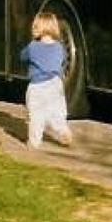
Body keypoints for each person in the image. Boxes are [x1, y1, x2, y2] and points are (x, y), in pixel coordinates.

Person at [20, 10, 74, 149]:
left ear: (38, 28)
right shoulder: (59, 47)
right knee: (57, 113)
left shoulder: (32, 47)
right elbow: (61, 61)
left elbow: (22, 56)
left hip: (37, 86)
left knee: (36, 115)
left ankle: (34, 142)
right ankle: (63, 131)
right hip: (56, 84)